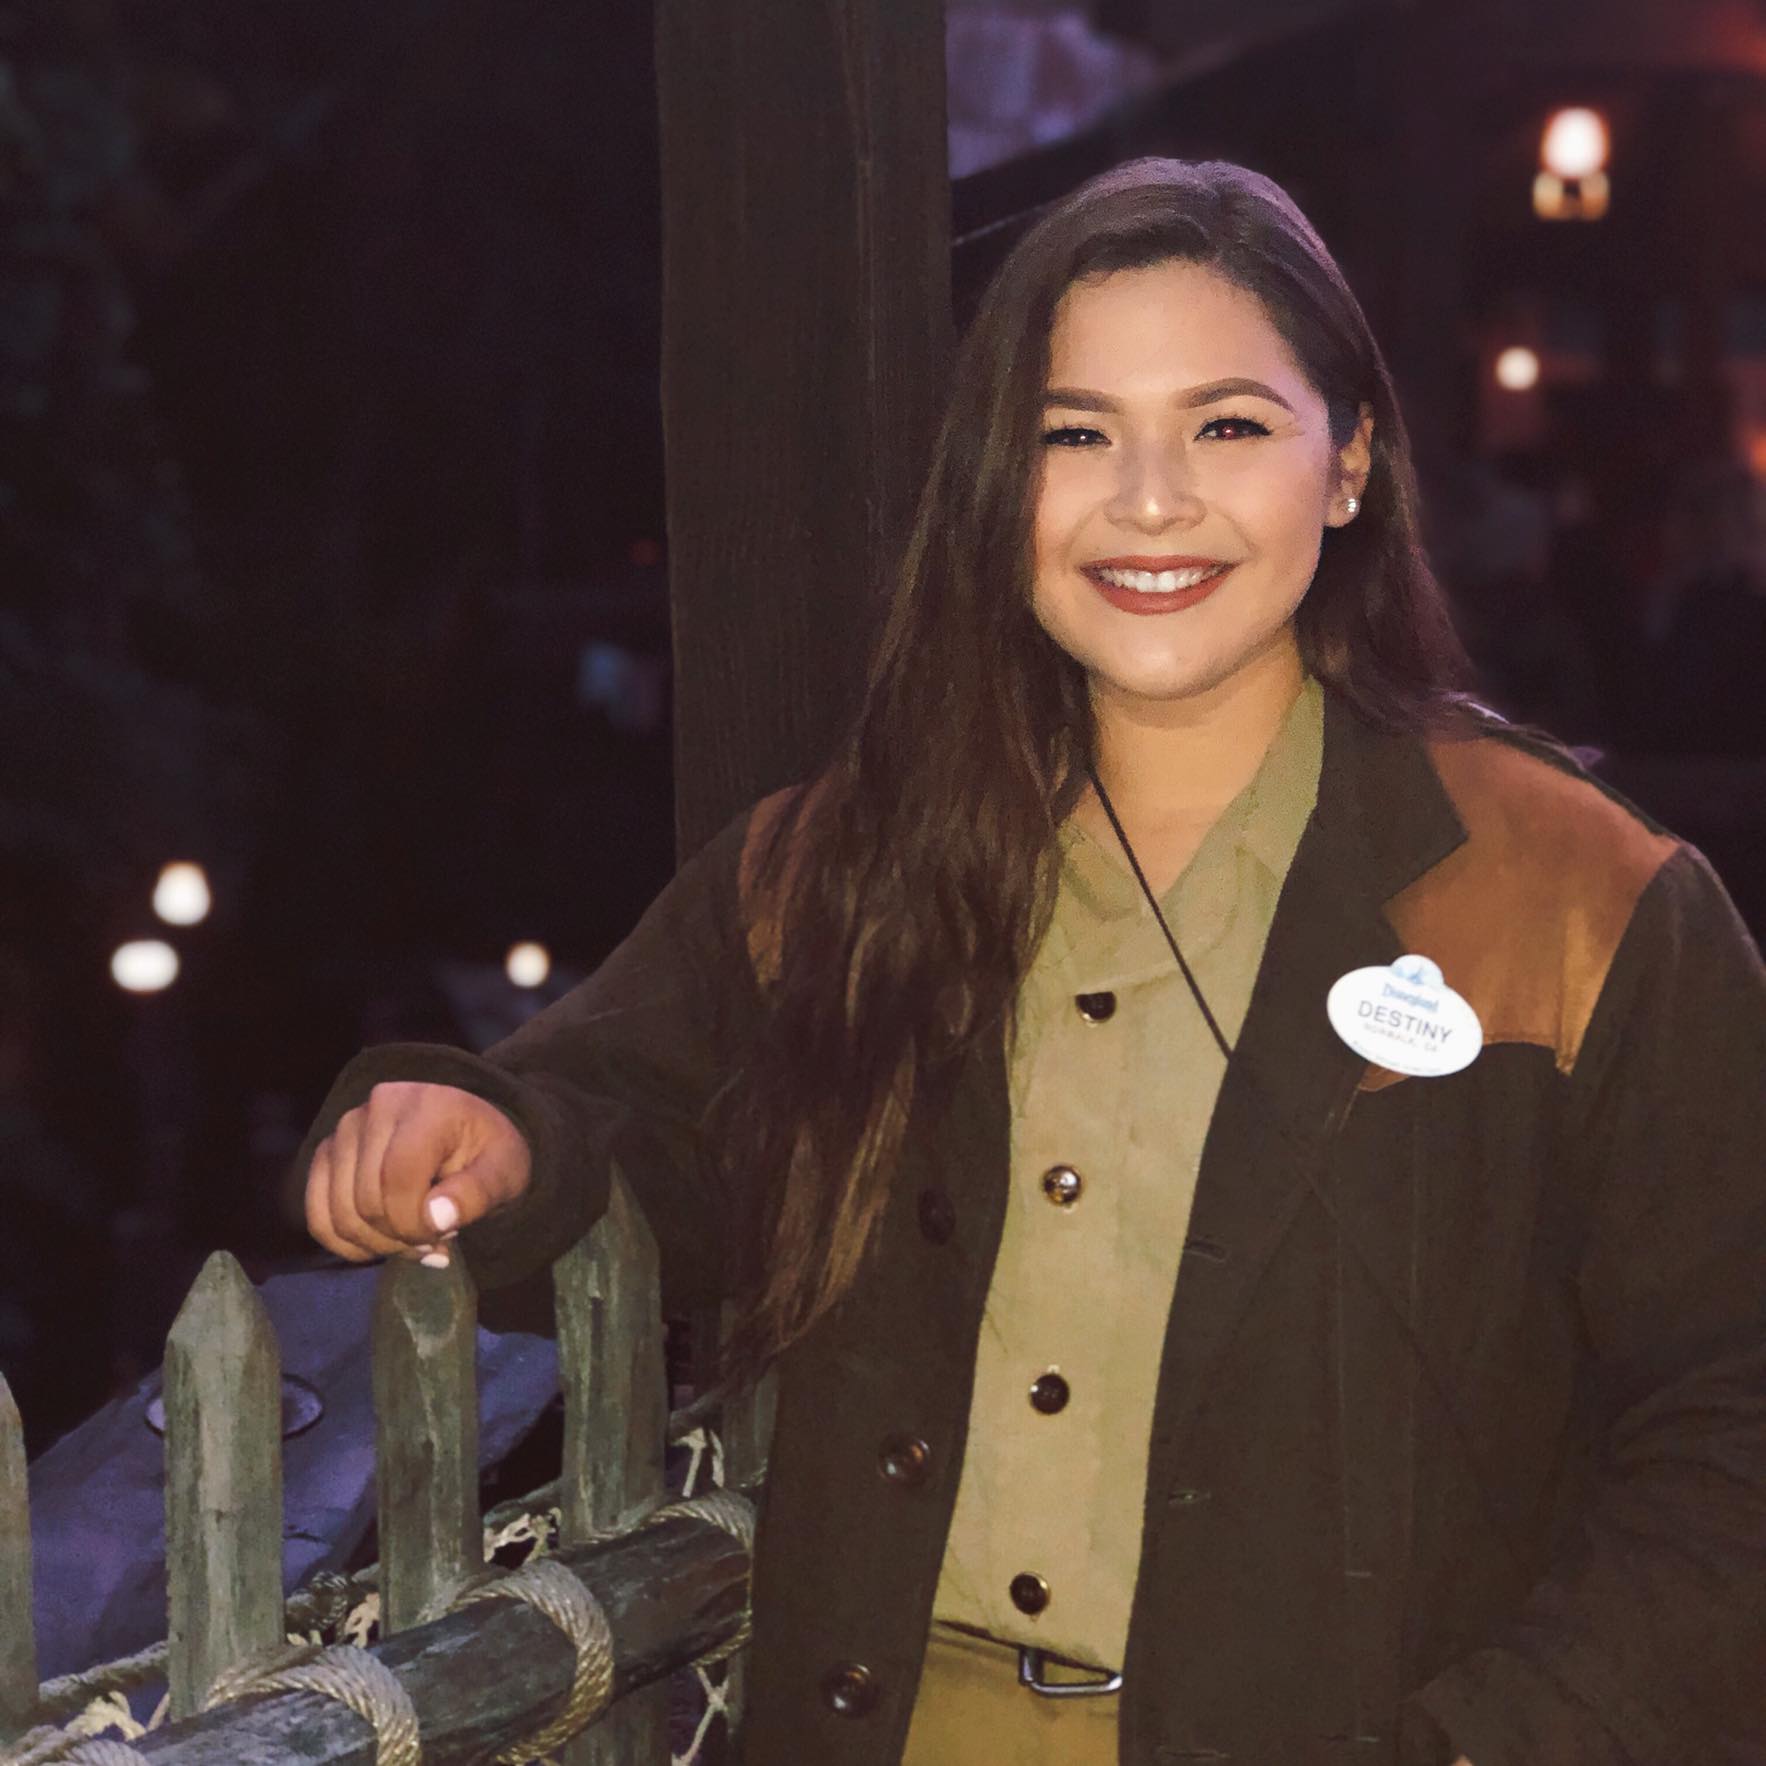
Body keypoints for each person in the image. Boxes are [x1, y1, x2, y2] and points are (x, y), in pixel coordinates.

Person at [298, 160, 1766, 1765]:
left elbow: (1732, 1419)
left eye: (1227, 426)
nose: (1148, 500)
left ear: (1347, 464)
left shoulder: (1565, 899)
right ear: (999, 482)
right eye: (1076, 434)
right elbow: (636, 1115)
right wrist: (489, 1139)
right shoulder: (844, 867)